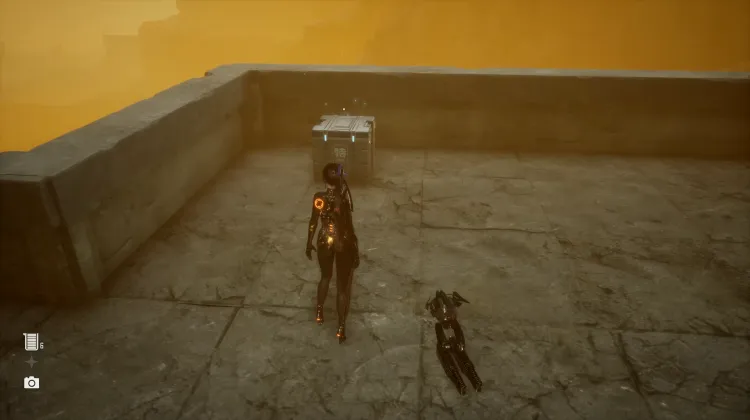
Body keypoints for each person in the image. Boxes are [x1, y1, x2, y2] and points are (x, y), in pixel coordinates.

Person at [306, 163, 360, 343]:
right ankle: (341, 327)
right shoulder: (343, 200)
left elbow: (313, 221)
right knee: (342, 288)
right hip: (343, 244)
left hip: (324, 241)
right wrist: (355, 249)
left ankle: (319, 311)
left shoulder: (318, 198)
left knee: (325, 277)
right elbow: (348, 227)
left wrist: (309, 243)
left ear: (324, 179)